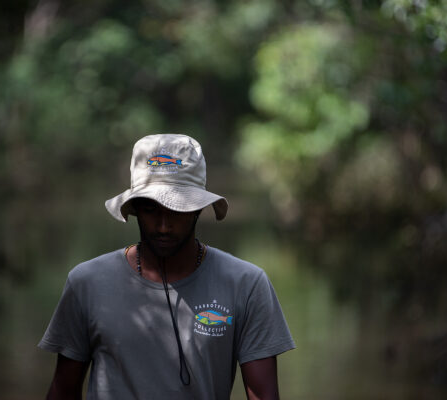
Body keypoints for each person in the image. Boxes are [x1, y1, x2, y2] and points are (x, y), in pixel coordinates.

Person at [39, 134, 295, 400]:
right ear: (135, 208)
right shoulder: (88, 283)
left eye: (178, 209)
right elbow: (63, 390)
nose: (163, 226)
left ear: (198, 209)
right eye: (151, 210)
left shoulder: (246, 285)